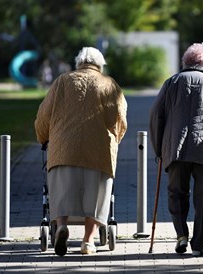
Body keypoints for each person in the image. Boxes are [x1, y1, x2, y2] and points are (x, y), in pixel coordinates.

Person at [34, 47, 127, 256]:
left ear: (78, 63)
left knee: (62, 192)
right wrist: (116, 139)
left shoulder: (61, 82)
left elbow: (44, 115)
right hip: (98, 152)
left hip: (62, 150)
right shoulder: (109, 84)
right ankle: (88, 241)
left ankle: (62, 226)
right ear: (100, 65)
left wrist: (42, 136)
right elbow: (119, 119)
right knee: (96, 197)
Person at [149, 43, 203, 257]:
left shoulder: (172, 82)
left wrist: (158, 149)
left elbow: (156, 116)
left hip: (175, 149)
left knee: (176, 193)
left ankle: (181, 235)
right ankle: (198, 244)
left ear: (186, 61)